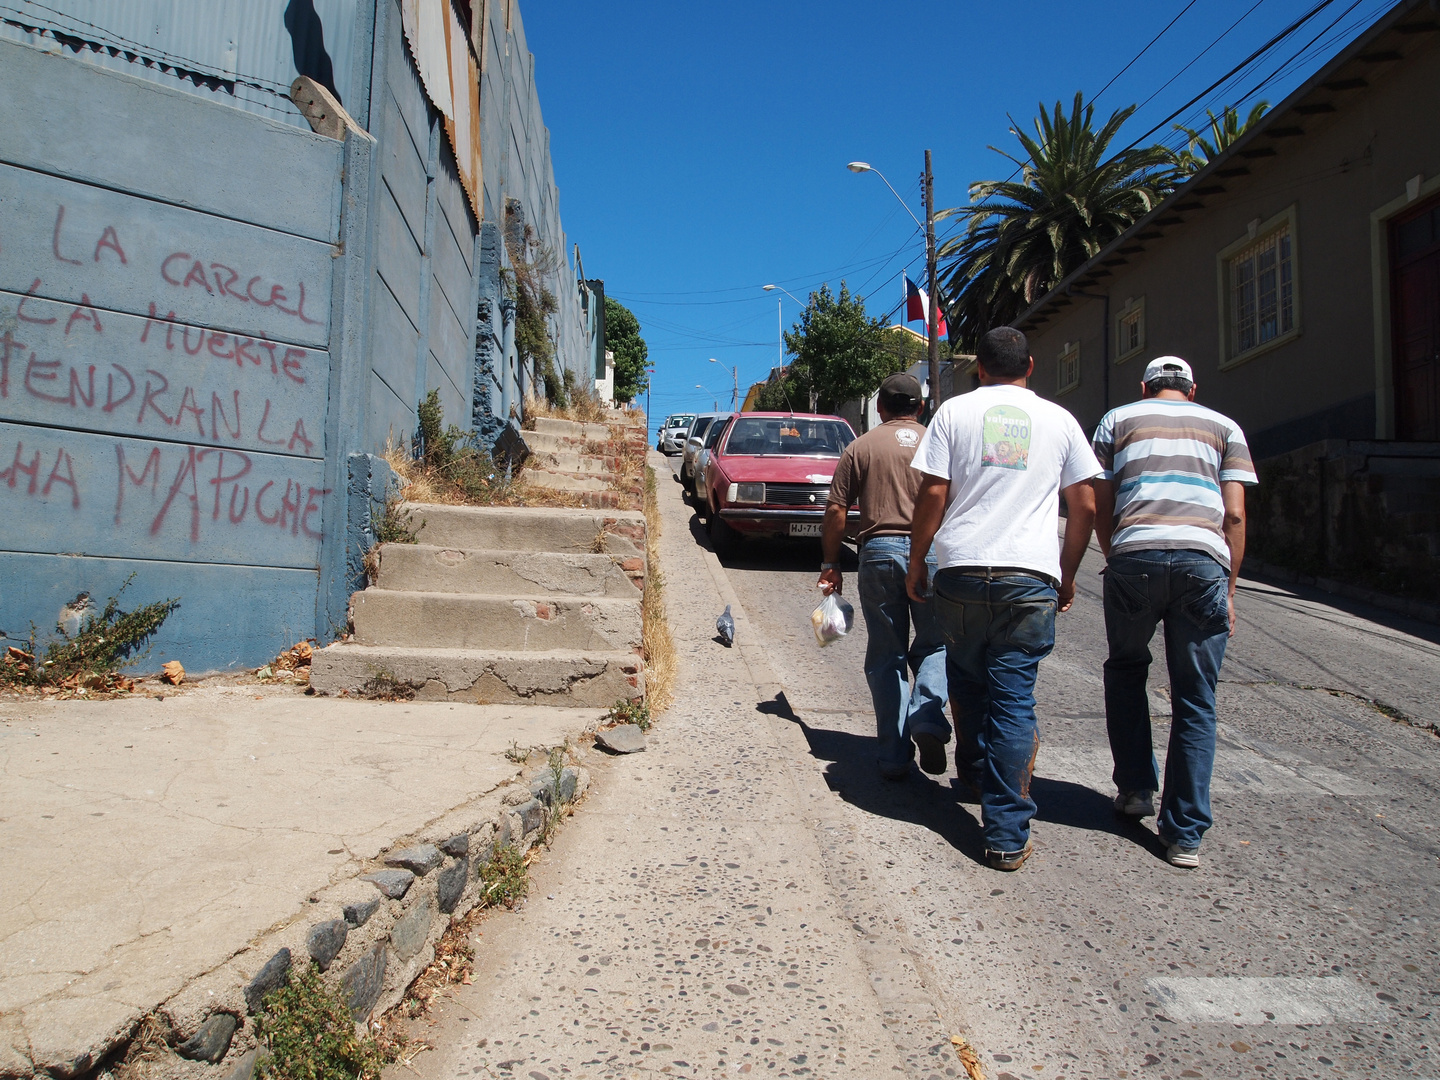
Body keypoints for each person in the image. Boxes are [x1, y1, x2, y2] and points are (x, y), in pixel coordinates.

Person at [906, 327, 1101, 871]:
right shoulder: (1060, 421)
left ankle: (970, 773)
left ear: (980, 369)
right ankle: (1006, 835)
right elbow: (1083, 502)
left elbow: (935, 492)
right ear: (1031, 366)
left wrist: (919, 560)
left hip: (962, 569)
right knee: (1013, 700)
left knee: (966, 680)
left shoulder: (953, 414)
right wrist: (1066, 572)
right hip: (1028, 575)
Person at [1091, 356, 1256, 869]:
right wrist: (1227, 588)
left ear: (1145, 387)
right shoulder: (1226, 427)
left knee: (1125, 669)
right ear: (1192, 388)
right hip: (1203, 562)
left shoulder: (1117, 420)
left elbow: (1100, 501)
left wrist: (1115, 552)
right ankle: (1184, 834)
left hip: (1134, 555)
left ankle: (1137, 789)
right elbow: (1233, 512)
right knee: (1195, 697)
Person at [818, 373, 950, 780]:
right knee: (934, 645)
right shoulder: (938, 442)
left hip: (878, 554)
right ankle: (927, 716)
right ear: (921, 406)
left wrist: (831, 563)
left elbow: (837, 510)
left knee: (886, 654)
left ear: (880, 408)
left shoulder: (860, 447)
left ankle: (894, 755)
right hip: (931, 554)